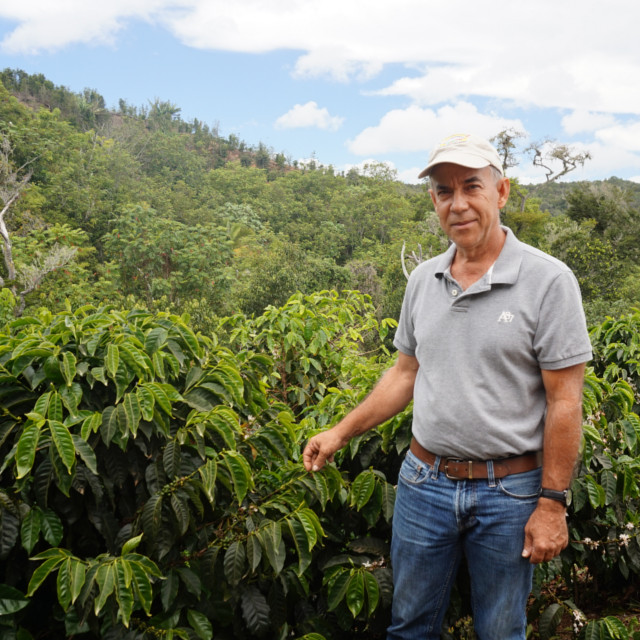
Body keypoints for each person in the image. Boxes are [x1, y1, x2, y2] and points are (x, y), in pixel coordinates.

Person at [303, 133, 593, 640]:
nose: (457, 204)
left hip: (510, 491)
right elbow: (404, 374)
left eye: (471, 187)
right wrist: (340, 432)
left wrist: (551, 504)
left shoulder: (548, 281)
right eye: (443, 191)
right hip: (423, 483)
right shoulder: (423, 280)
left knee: (500, 632)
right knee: (410, 626)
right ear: (434, 202)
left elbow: (564, 402)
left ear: (500, 193)